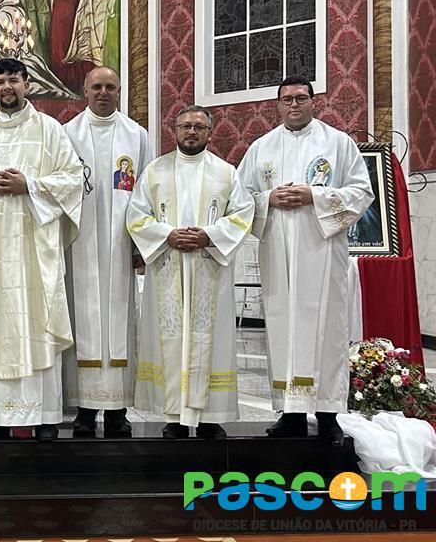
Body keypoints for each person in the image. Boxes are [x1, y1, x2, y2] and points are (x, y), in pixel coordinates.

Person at [236, 76, 373, 445]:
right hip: (278, 252)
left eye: (301, 98)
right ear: (276, 105)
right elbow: (240, 197)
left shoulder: (338, 143)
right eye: (286, 99)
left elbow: (362, 191)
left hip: (322, 252)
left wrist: (315, 195)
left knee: (327, 329)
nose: (293, 105)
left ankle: (329, 414)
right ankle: (291, 414)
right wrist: (269, 201)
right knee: (282, 327)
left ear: (314, 101)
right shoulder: (261, 147)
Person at [0, 59, 83, 441]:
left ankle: (44, 416)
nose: (6, 87)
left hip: (34, 248)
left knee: (36, 320)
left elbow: (73, 179)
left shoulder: (49, 130)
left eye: (13, 80)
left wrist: (31, 185)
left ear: (28, 83)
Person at [126, 106, 254, 439]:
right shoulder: (155, 171)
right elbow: (136, 215)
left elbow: (243, 214)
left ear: (210, 132)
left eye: (199, 126)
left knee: (209, 340)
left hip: (208, 267)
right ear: (175, 129)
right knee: (169, 339)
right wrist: (166, 235)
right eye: (186, 126)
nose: (192, 132)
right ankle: (173, 417)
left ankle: (210, 417)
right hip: (168, 265)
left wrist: (208, 235)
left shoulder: (225, 173)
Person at [62, 67, 148, 438]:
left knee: (119, 322)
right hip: (78, 244)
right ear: (84, 90)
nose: (103, 92)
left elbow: (146, 193)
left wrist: (142, 244)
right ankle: (83, 409)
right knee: (82, 322)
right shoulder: (67, 135)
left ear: (119, 91)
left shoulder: (137, 136)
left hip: (120, 243)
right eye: (96, 86)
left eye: (110, 87)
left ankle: (117, 410)